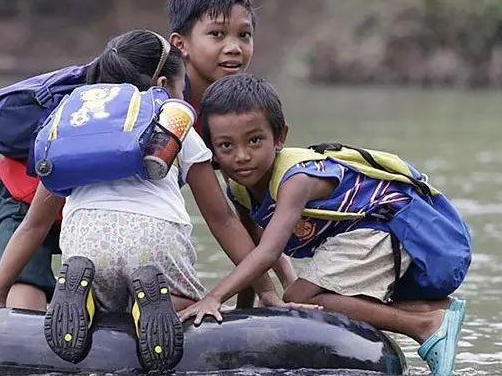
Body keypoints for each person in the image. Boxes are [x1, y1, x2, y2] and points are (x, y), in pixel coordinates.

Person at [0, 0, 295, 311]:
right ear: (179, 45)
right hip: (27, 198)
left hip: (101, 218)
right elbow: (34, 222)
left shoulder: (225, 112)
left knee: (123, 294)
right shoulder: (145, 88)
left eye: (244, 36)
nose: (233, 48)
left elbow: (240, 207)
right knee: (23, 308)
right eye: (217, 35)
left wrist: (275, 292)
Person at [179, 73, 471, 376]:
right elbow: (253, 249)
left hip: (389, 225)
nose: (241, 156)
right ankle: (428, 311)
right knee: (301, 296)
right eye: (226, 146)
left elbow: (267, 251)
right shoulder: (239, 188)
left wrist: (213, 298)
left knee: (300, 297)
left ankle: (425, 325)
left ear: (279, 137)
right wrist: (248, 313)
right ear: (212, 149)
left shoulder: (296, 179)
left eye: (255, 141)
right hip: (361, 235)